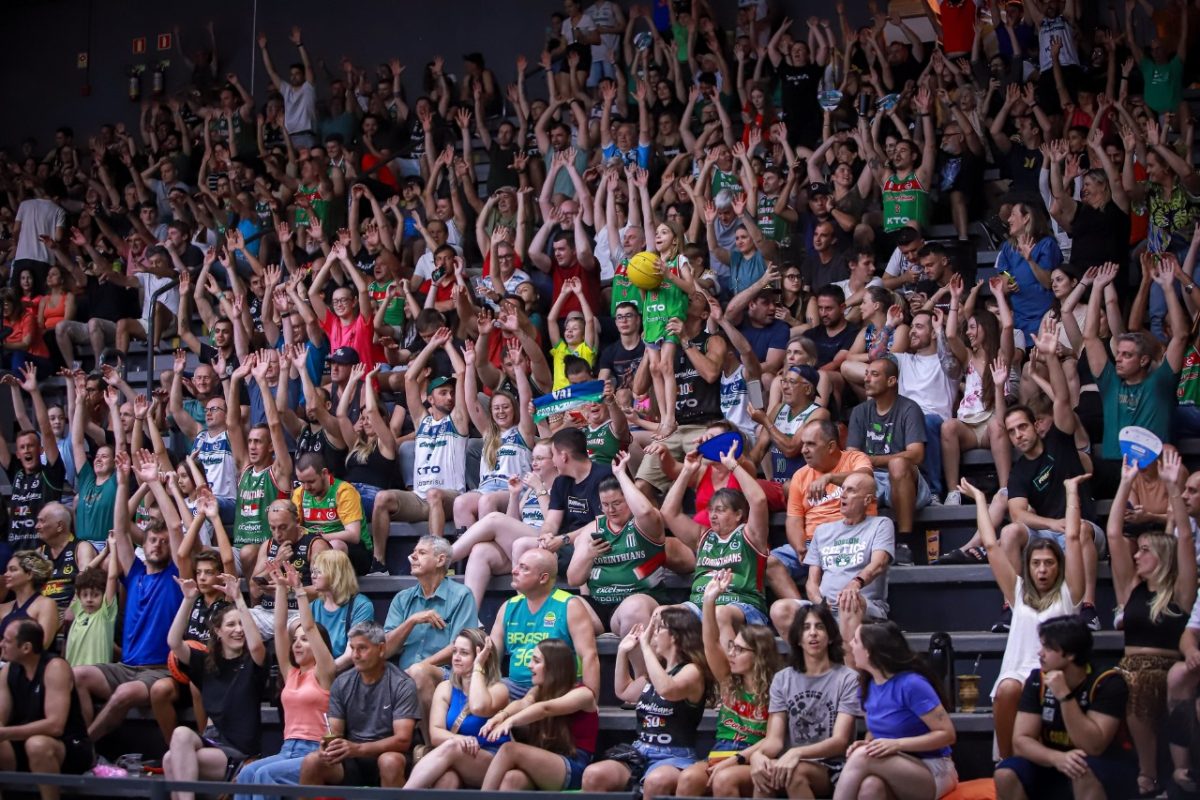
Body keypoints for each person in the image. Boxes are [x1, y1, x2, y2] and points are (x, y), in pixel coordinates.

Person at [1105, 451, 1196, 797]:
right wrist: (1126, 482)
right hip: (1127, 667)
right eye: (1138, 548)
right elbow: (1114, 534)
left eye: (1145, 550)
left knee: (1141, 682)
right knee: (1115, 682)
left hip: (1163, 667)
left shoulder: (1181, 591)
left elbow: (1184, 539)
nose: (1137, 554)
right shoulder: (1132, 588)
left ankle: (1149, 775)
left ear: (1163, 557)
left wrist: (1174, 488)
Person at [993, 615, 1138, 800]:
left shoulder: (1107, 683)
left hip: (1106, 764)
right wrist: (1056, 758)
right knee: (1006, 774)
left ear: (1070, 654)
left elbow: (1093, 747)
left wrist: (1065, 696)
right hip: (1055, 762)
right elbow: (1021, 741)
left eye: (1047, 647)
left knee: (1081, 769)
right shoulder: (1037, 680)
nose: (1040, 653)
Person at [581, 608, 712, 796]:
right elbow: (624, 691)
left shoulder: (692, 671)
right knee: (594, 775)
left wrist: (645, 648)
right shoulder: (659, 671)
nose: (653, 635)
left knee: (656, 781)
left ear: (675, 636)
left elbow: (668, 689)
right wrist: (622, 652)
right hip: (640, 750)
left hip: (674, 756)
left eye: (659, 630)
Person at [233, 561, 335, 800]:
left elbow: (309, 626)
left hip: (314, 751)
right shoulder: (291, 673)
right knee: (248, 773)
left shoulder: (325, 672)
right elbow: (279, 630)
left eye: (305, 640)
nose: (298, 643)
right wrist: (280, 587)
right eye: (296, 640)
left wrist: (298, 590)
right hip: (286, 749)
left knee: (264, 776)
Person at [162, 570, 268, 800]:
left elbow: (257, 646)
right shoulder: (206, 663)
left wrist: (239, 599)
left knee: (172, 759)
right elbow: (173, 642)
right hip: (212, 742)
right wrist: (188, 599)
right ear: (218, 632)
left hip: (241, 753)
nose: (238, 630)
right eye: (231, 625)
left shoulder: (253, 661)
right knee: (179, 738)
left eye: (241, 624)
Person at [675, 570, 780, 798]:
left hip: (753, 757)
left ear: (759, 655)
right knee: (688, 778)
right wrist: (709, 600)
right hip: (721, 751)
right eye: (732, 647)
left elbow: (772, 742)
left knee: (724, 780)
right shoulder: (728, 680)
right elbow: (710, 642)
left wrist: (733, 761)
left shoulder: (776, 690)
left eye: (739, 650)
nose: (731, 653)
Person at [662, 447, 773, 646]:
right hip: (699, 606)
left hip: (741, 606)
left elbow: (758, 500)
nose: (713, 515)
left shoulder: (751, 534)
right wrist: (687, 471)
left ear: (739, 514)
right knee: (662, 614)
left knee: (720, 613)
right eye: (711, 510)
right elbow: (668, 512)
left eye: (720, 510)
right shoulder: (703, 536)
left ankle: (730, 674)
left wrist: (734, 466)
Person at [835, 622, 958, 799]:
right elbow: (877, 729)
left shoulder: (911, 684)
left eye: (856, 641)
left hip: (933, 768)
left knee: (862, 756)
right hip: (896, 768)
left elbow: (947, 734)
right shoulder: (866, 685)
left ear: (869, 651)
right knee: (870, 787)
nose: (851, 645)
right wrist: (869, 742)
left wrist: (897, 744)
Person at [750, 603, 861, 800]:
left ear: (829, 636)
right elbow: (774, 740)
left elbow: (840, 742)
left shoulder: (848, 678)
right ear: (798, 639)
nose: (813, 633)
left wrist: (797, 753)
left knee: (794, 773)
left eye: (819, 627)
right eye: (806, 628)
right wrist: (758, 756)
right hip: (788, 760)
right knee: (764, 774)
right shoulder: (782, 679)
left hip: (833, 766)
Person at [297, 621, 420, 790]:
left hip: (386, 755)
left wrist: (358, 748)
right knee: (312, 761)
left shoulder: (402, 684)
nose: (355, 655)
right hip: (352, 758)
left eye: (362, 648)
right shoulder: (342, 682)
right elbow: (335, 731)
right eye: (352, 648)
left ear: (381, 649)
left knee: (390, 761)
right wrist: (327, 744)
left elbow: (402, 740)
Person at [773, 472, 894, 643]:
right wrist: (818, 602)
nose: (842, 494)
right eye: (842, 489)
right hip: (825, 608)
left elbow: (879, 563)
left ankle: (849, 668)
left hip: (863, 605)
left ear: (867, 500)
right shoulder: (823, 530)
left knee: (849, 601)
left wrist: (855, 583)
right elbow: (812, 581)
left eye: (851, 491)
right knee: (780, 609)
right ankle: (806, 665)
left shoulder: (880, 525)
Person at [373, 329, 469, 541]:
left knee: (435, 494)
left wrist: (448, 346)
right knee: (382, 498)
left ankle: (436, 551)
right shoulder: (421, 421)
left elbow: (461, 373)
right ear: (431, 400)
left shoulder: (457, 421)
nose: (450, 397)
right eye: (443, 393)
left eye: (452, 393)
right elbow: (409, 378)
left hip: (450, 496)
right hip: (420, 498)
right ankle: (378, 563)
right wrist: (431, 345)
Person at [382, 535, 479, 740]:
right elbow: (386, 649)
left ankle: (430, 745)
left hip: (448, 676)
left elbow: (458, 646)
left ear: (440, 560)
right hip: (404, 675)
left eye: (421, 553)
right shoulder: (403, 598)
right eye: (413, 552)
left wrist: (417, 669)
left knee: (419, 672)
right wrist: (412, 621)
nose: (412, 557)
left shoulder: (461, 595)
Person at [566, 451, 668, 635]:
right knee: (564, 607)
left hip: (640, 599)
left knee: (634, 608)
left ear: (628, 499)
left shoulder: (645, 524)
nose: (611, 510)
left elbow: (644, 511)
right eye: (605, 505)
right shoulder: (592, 529)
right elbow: (573, 579)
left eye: (617, 503)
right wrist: (589, 555)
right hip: (599, 605)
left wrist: (621, 474)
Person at [478, 638, 600, 791]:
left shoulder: (584, 694)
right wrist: (501, 716)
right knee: (511, 780)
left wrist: (510, 722)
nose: (530, 665)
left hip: (574, 766)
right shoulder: (538, 690)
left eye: (536, 661)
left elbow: (546, 708)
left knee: (510, 750)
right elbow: (524, 703)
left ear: (554, 666)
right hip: (545, 762)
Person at [452, 440, 559, 608]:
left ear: (555, 461)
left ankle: (447, 556)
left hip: (545, 546)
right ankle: (469, 616)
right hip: (520, 547)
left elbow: (552, 522)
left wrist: (540, 489)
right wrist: (514, 496)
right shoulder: (532, 487)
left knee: (494, 519)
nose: (534, 463)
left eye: (540, 458)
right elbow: (512, 523)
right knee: (480, 551)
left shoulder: (563, 485)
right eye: (533, 458)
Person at [403, 629, 510, 789]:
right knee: (447, 780)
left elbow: (478, 706)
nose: (456, 658)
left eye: (464, 653)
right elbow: (436, 734)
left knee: (452, 747)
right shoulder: (445, 687)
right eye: (454, 652)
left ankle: (402, 796)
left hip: (492, 759)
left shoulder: (498, 689)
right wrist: (461, 740)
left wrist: (477, 668)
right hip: (456, 754)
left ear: (482, 658)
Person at [0, 619, 94, 800]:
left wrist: (5, 733)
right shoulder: (7, 671)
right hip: (22, 743)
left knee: (37, 745)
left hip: (68, 746)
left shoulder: (55, 667)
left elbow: (55, 726)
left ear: (26, 647)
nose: (1, 644)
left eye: (7, 640)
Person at [490, 548, 600, 698]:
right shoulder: (508, 607)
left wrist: (590, 701)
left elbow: (589, 655)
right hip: (515, 687)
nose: (514, 571)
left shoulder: (569, 605)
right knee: (481, 697)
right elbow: (491, 656)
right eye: (517, 566)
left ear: (543, 578)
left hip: (558, 688)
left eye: (524, 568)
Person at [847, 358, 930, 556]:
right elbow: (852, 455)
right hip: (871, 479)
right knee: (851, 474)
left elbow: (917, 454)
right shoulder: (859, 412)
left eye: (874, 375)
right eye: (866, 374)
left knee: (898, 465)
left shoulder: (909, 408)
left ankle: (904, 543)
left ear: (892, 381)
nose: (867, 379)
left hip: (906, 483)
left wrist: (873, 460)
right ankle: (856, 544)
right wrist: (868, 465)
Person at [247, 499, 330, 638]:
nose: (277, 534)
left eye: (283, 527)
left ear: (297, 521)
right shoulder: (268, 545)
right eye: (272, 528)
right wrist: (277, 562)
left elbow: (323, 589)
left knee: (298, 632)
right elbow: (254, 590)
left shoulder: (315, 545)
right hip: (267, 610)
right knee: (235, 621)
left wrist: (289, 591)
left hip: (299, 611)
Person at [308, 549, 375, 671]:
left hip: (347, 672)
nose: (313, 576)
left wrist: (324, 673)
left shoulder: (361, 605)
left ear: (335, 574)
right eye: (313, 571)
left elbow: (352, 653)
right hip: (317, 671)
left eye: (318, 572)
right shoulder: (313, 606)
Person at [0, 552, 60, 653]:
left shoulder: (46, 604)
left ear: (29, 574)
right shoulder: (3, 608)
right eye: (6, 570)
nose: (6, 574)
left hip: (36, 666)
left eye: (13, 570)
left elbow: (42, 645)